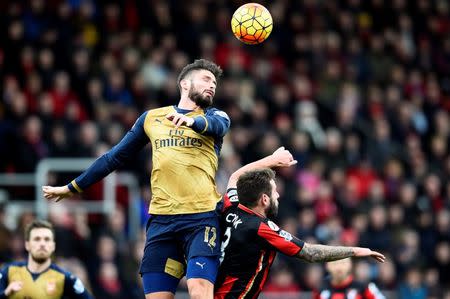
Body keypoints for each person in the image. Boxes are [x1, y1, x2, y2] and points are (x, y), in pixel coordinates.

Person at [42, 59, 231, 299]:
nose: (212, 85)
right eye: (206, 79)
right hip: (162, 223)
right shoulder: (152, 118)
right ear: (185, 83)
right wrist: (73, 187)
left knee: (199, 289)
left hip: (201, 219)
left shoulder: (214, 116)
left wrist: (193, 121)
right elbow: (113, 158)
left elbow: (218, 125)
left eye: (214, 82)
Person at [214, 147, 385, 299]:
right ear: (264, 199)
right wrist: (354, 251)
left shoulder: (233, 205)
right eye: (275, 192)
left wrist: (272, 161)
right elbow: (310, 252)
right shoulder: (260, 228)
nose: (278, 196)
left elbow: (236, 176)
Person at [0, 220, 93, 299]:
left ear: (53, 246)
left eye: (47, 239)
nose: (42, 244)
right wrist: (6, 293)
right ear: (27, 245)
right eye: (37, 239)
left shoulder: (65, 278)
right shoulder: (8, 271)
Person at [314, 258, 385, 299]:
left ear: (350, 264)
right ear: (327, 266)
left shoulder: (365, 287)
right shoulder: (320, 288)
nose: (339, 268)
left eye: (343, 263)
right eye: (335, 263)